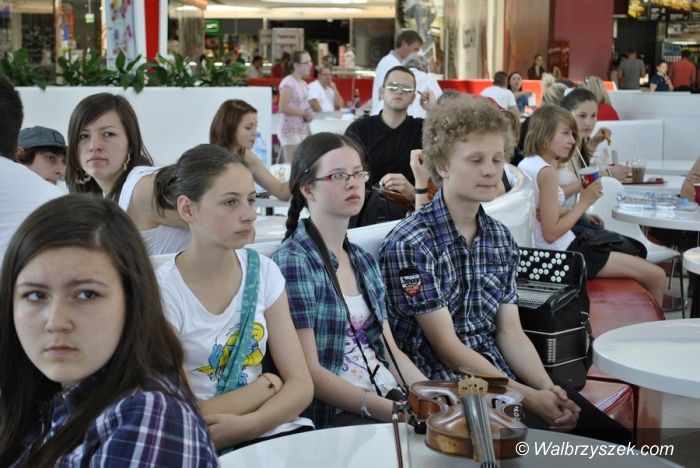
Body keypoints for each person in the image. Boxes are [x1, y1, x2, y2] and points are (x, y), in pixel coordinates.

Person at [379, 99, 631, 445]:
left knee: (616, 439)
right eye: (476, 160)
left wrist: (548, 390)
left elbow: (510, 330)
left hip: (500, 378)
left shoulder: (498, 237)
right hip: (450, 391)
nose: (490, 171)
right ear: (442, 165)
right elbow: (447, 348)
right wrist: (528, 397)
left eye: (497, 160)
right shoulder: (411, 242)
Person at [0, 194, 217, 466]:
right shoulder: (38, 396)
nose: (55, 321)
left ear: (132, 301)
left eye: (86, 294)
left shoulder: (148, 415)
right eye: (35, 295)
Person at [154, 144, 313, 451]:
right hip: (204, 442)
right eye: (230, 202)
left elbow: (302, 385)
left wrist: (251, 424)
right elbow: (183, 412)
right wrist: (267, 386)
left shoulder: (263, 271)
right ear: (187, 209)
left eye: (250, 200)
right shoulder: (163, 292)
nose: (249, 215)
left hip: (271, 433)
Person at [272, 133, 426, 429]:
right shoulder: (294, 262)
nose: (353, 183)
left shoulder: (363, 260)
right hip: (338, 416)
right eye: (338, 175)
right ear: (308, 189)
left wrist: (434, 397)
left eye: (358, 173)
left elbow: (390, 352)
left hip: (387, 397)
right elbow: (310, 372)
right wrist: (395, 412)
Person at [518, 105, 665, 305]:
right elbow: (551, 233)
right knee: (657, 276)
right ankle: (649, 325)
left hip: (553, 251)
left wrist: (575, 201)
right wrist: (584, 203)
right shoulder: (547, 172)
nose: (572, 140)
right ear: (545, 134)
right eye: (566, 133)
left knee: (634, 254)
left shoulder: (527, 164)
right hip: (565, 254)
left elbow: (545, 209)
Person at [64, 93, 189, 255]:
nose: (94, 146)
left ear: (130, 143)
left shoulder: (142, 188)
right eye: (84, 136)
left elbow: (214, 218)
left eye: (108, 134)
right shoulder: (103, 199)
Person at [0, 76, 63, 262]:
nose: (60, 170)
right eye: (50, 158)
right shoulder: (59, 202)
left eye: (63, 161)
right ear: (19, 154)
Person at [345, 65, 423, 200]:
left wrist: (413, 193)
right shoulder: (359, 129)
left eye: (406, 89)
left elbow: (453, 139)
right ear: (381, 92)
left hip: (410, 208)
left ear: (413, 98)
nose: (399, 91)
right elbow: (345, 173)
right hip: (364, 206)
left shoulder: (423, 130)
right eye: (393, 86)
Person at [210, 99, 290, 200]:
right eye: (248, 127)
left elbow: (281, 192)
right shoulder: (209, 160)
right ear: (229, 128)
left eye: (255, 126)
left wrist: (302, 174)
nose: (255, 132)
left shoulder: (248, 157)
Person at [371, 30, 423, 116]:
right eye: (415, 49)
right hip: (385, 116)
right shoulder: (390, 63)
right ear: (404, 44)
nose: (416, 54)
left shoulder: (394, 62)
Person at [277, 50, 314, 163]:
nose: (310, 65)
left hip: (301, 128)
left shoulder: (304, 84)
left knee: (300, 164)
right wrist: (304, 113)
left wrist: (308, 115)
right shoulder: (288, 82)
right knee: (291, 165)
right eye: (306, 63)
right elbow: (282, 107)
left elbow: (304, 106)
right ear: (296, 65)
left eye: (310, 62)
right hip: (289, 129)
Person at [402, 52, 442, 119]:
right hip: (423, 121)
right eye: (427, 68)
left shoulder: (398, 77)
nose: (428, 72)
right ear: (423, 66)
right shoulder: (428, 79)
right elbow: (440, 101)